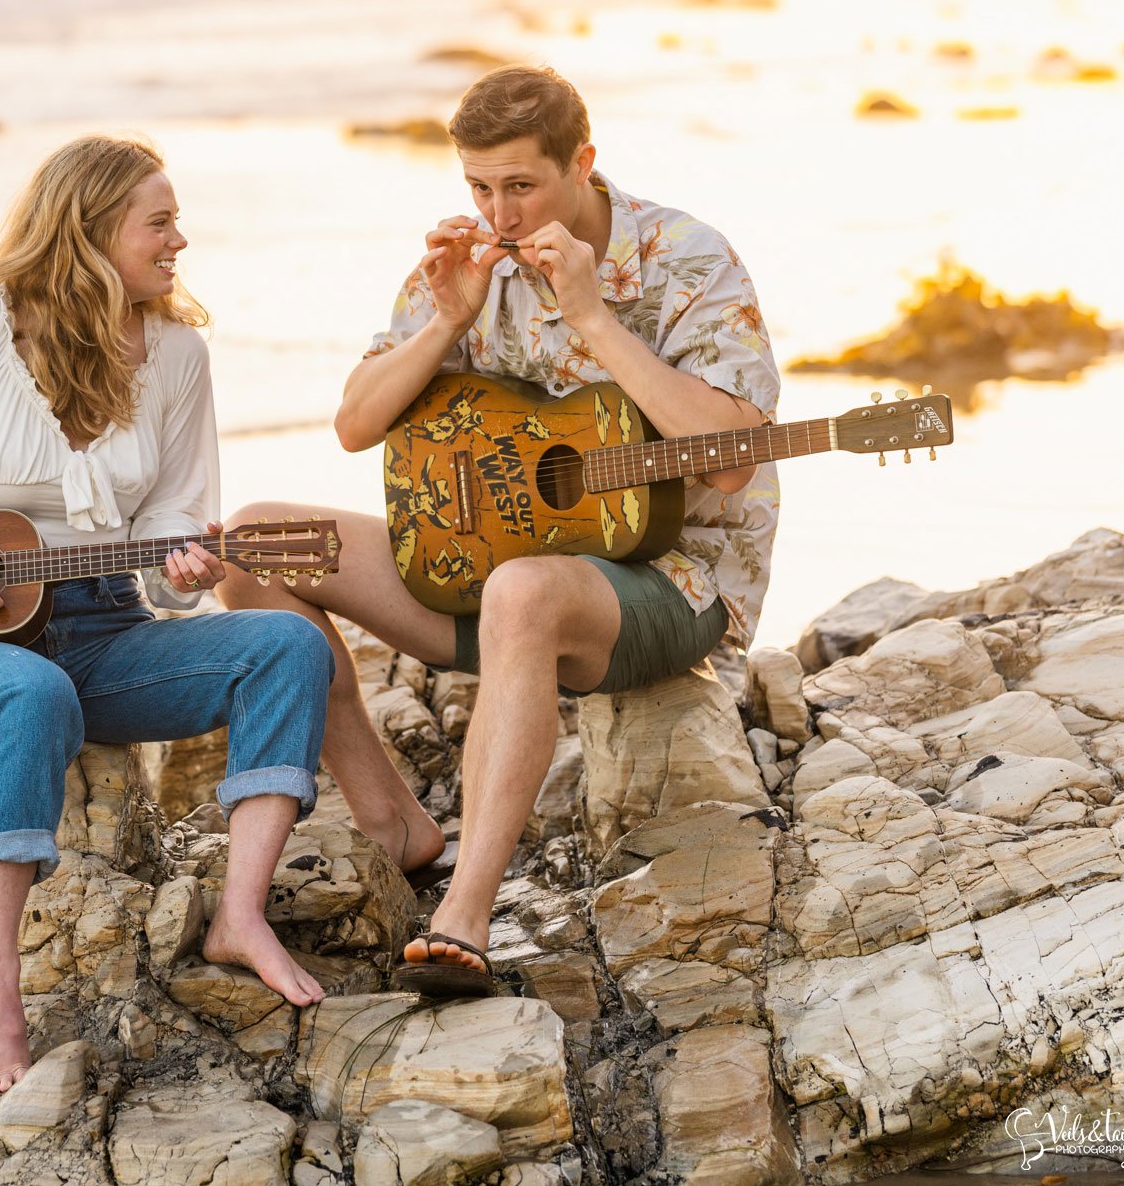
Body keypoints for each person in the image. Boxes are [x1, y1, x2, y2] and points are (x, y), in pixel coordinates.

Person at [218, 66, 781, 997]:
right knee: (255, 546)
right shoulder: (473, 257)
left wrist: (594, 318)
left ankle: (465, 914)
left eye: (521, 185)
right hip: (488, 572)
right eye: (479, 186)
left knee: (524, 589)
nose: (499, 210)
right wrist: (445, 320)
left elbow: (727, 461)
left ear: (584, 164)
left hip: (675, 583)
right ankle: (395, 821)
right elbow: (357, 425)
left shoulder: (689, 259)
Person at [0, 134, 335, 1091]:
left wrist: (185, 567)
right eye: (160, 220)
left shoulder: (178, 353)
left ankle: (242, 914)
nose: (181, 239)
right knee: (32, 692)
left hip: (109, 628)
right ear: (93, 228)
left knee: (287, 645)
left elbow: (177, 512)